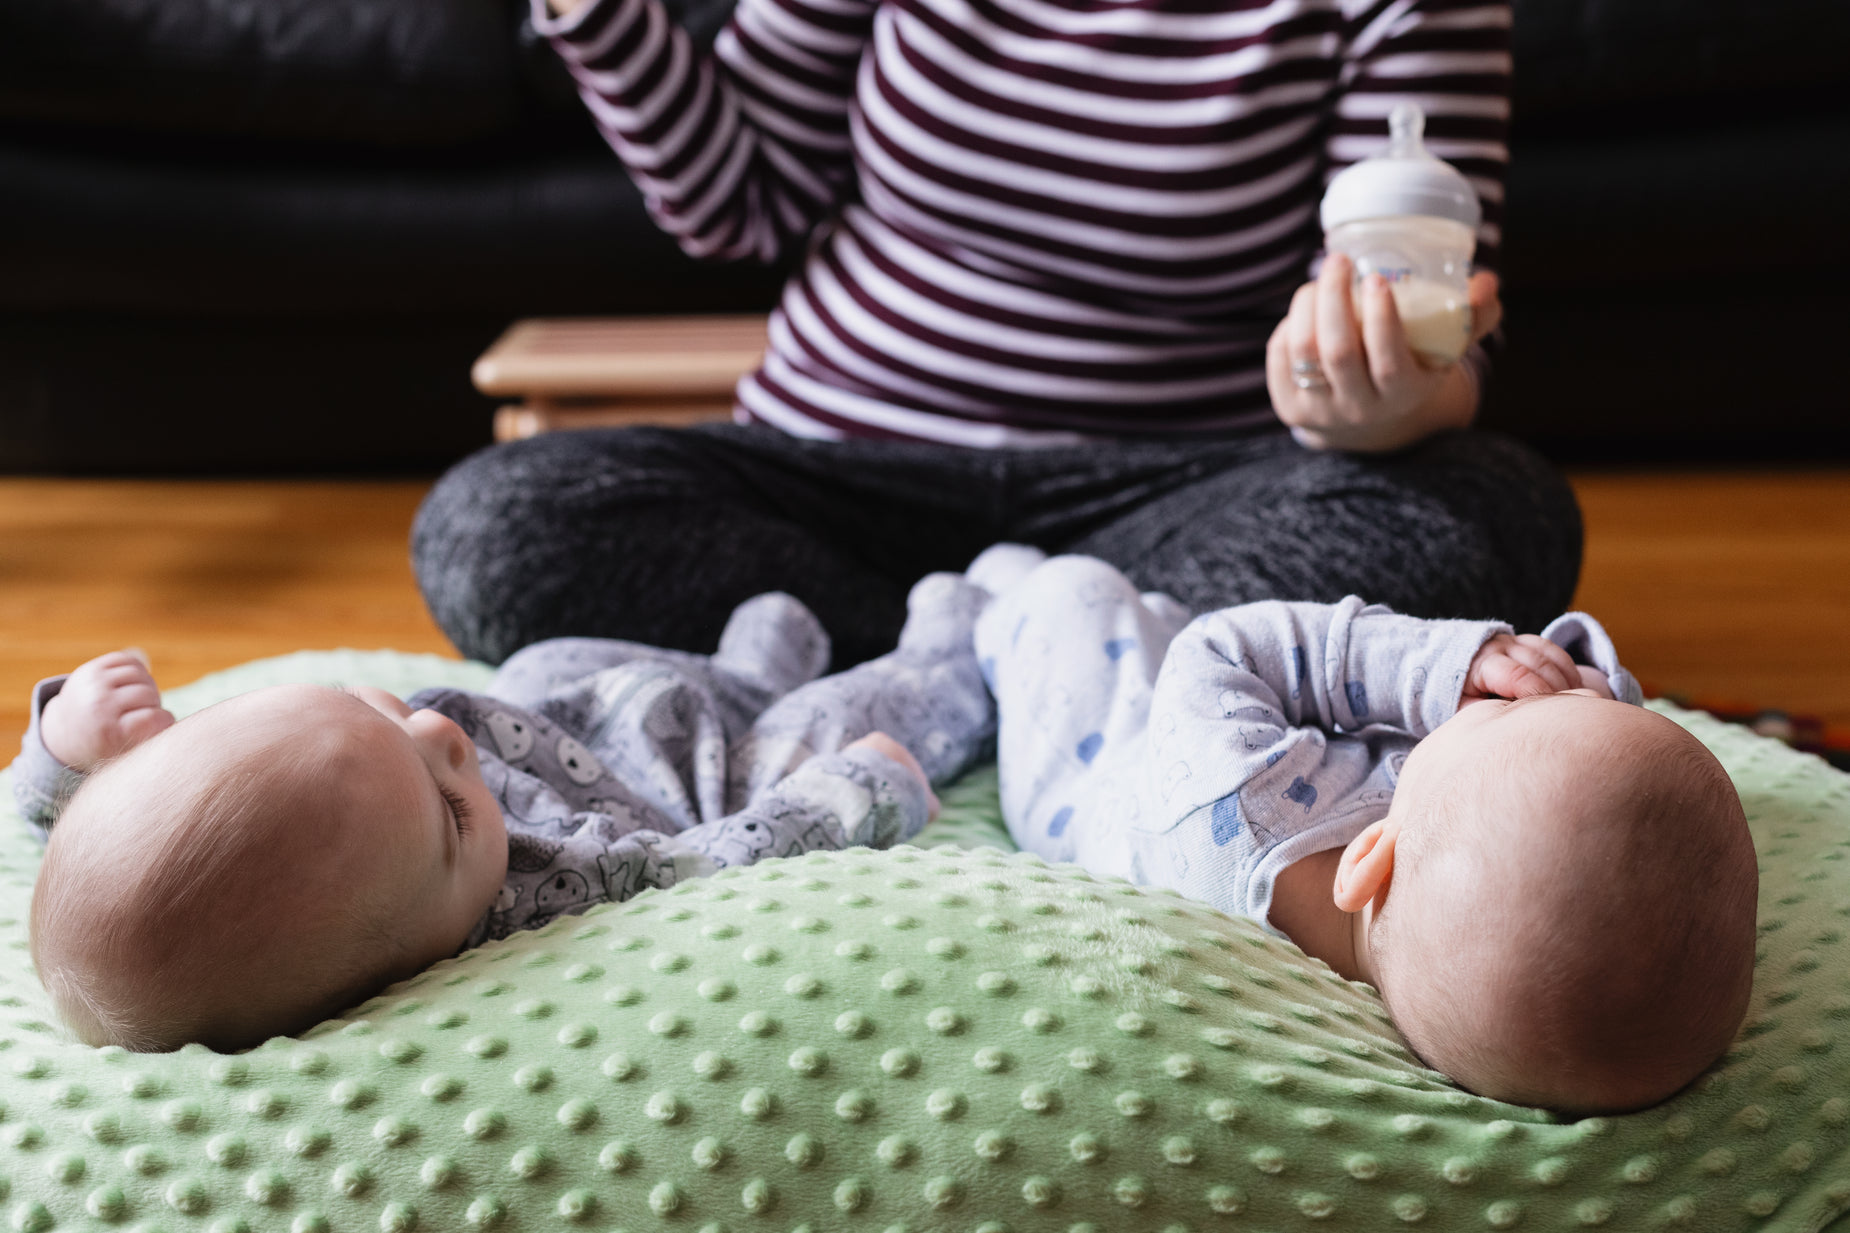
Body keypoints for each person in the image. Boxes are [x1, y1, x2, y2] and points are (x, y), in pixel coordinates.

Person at [411, 0, 1579, 672]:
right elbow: (737, 203)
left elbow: (1434, 343)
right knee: (494, 525)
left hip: (1177, 496)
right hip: (837, 475)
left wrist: (1370, 400)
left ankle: (905, 670)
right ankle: (1074, 672)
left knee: (1488, 515)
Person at [17, 578, 989, 1053]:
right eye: (450, 817)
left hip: (553, 704)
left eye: (371, 708)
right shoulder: (539, 903)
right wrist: (850, 794)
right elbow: (713, 864)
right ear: (399, 968)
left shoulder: (221, 815)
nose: (443, 738)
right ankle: (960, 628)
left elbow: (83, 828)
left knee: (535, 666)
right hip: (678, 767)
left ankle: (743, 670)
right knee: (822, 730)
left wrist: (68, 747)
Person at [966, 546, 1756, 1112]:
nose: (1512, 707)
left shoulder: (1241, 805)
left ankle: (972, 602)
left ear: (1371, 854)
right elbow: (1592, 806)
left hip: (1095, 747)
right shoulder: (1452, 913)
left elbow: (1219, 649)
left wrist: (1439, 665)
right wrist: (1585, 688)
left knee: (1075, 589)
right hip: (1192, 729)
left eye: (1500, 720)